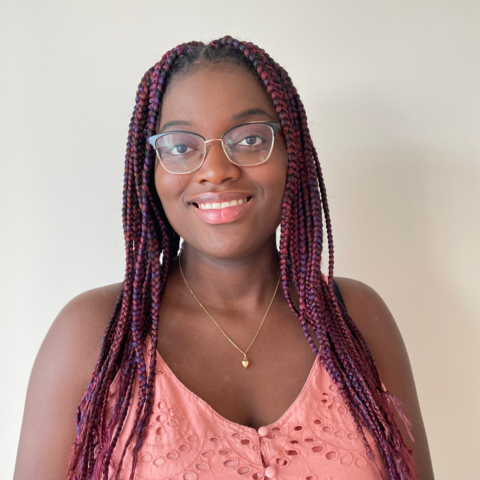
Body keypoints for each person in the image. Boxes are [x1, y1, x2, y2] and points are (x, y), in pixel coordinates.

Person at [14, 37, 434, 480]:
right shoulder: (93, 334)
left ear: (294, 154)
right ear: (150, 169)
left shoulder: (356, 320)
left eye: (249, 139)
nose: (215, 170)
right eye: (180, 146)